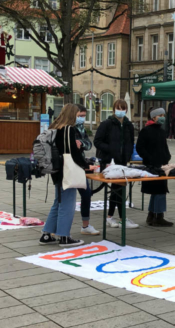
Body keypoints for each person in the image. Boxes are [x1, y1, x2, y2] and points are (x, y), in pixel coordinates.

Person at [39, 104, 97, 247]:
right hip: (67, 170)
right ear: (73, 114)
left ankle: (46, 234)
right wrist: (86, 165)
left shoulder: (55, 127)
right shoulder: (68, 129)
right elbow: (72, 153)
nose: (80, 117)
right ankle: (64, 236)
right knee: (67, 204)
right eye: (78, 114)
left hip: (56, 169)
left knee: (58, 202)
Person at [93, 99, 138, 229]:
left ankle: (118, 217)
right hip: (109, 162)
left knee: (119, 189)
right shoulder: (107, 124)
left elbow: (130, 142)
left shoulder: (128, 125)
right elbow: (97, 141)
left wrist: (128, 154)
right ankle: (113, 217)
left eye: (123, 108)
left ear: (126, 110)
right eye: (118, 108)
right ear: (114, 109)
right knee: (115, 190)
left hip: (123, 161)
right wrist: (111, 149)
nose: (121, 111)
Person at [136, 107, 173, 227]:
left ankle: (152, 215)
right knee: (159, 190)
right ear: (153, 117)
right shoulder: (146, 131)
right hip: (152, 166)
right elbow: (140, 148)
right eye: (160, 115)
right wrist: (149, 160)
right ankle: (158, 216)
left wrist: (167, 156)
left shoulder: (161, 131)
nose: (163, 117)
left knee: (158, 190)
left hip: (162, 165)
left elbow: (164, 147)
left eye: (163, 115)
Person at [75, 104, 99, 235]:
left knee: (86, 194)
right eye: (80, 116)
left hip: (80, 165)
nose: (82, 119)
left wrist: (81, 144)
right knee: (62, 199)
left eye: (84, 116)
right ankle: (53, 228)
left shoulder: (81, 128)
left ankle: (85, 225)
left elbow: (88, 144)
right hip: (71, 166)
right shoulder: (69, 128)